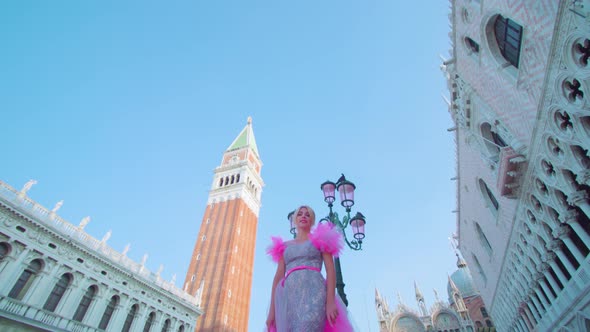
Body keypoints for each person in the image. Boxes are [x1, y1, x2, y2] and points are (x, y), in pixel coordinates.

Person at [265, 205, 354, 332]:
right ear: (295, 219)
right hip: (289, 300)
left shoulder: (321, 240)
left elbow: (330, 271)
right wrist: (272, 312)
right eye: (300, 214)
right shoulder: (284, 247)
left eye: (307, 215)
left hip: (316, 297)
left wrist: (330, 302)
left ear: (312, 220)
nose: (303, 216)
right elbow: (278, 278)